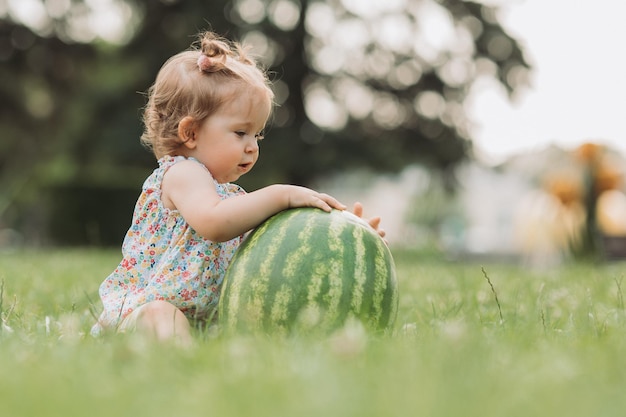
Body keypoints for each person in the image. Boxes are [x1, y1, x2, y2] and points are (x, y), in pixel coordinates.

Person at [91, 31, 385, 345]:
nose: (252, 147)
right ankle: (177, 361)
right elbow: (215, 223)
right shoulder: (182, 174)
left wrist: (346, 234)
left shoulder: (230, 200)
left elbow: (281, 246)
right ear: (190, 133)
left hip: (208, 318)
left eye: (257, 136)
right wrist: (281, 194)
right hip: (148, 307)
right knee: (162, 315)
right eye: (241, 132)